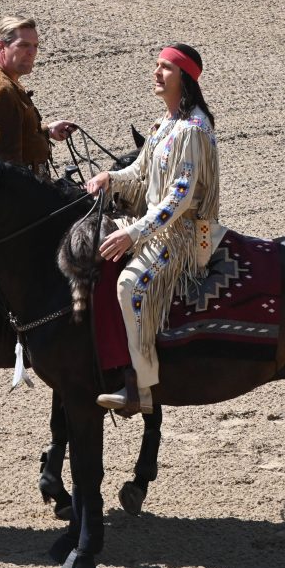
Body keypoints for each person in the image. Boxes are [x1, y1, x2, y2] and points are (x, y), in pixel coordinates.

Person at [85, 43, 223, 414]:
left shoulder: (193, 129)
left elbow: (179, 198)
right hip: (157, 227)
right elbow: (139, 173)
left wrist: (134, 233)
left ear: (185, 79)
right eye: (157, 66)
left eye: (165, 68)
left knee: (131, 284)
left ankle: (141, 388)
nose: (156, 73)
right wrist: (108, 177)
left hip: (183, 235)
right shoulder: (164, 125)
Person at [0, 16, 75, 177]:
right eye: (23, 45)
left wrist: (47, 131)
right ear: (2, 46)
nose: (32, 52)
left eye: (35, 46)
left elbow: (11, 134)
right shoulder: (2, 90)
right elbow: (4, 164)